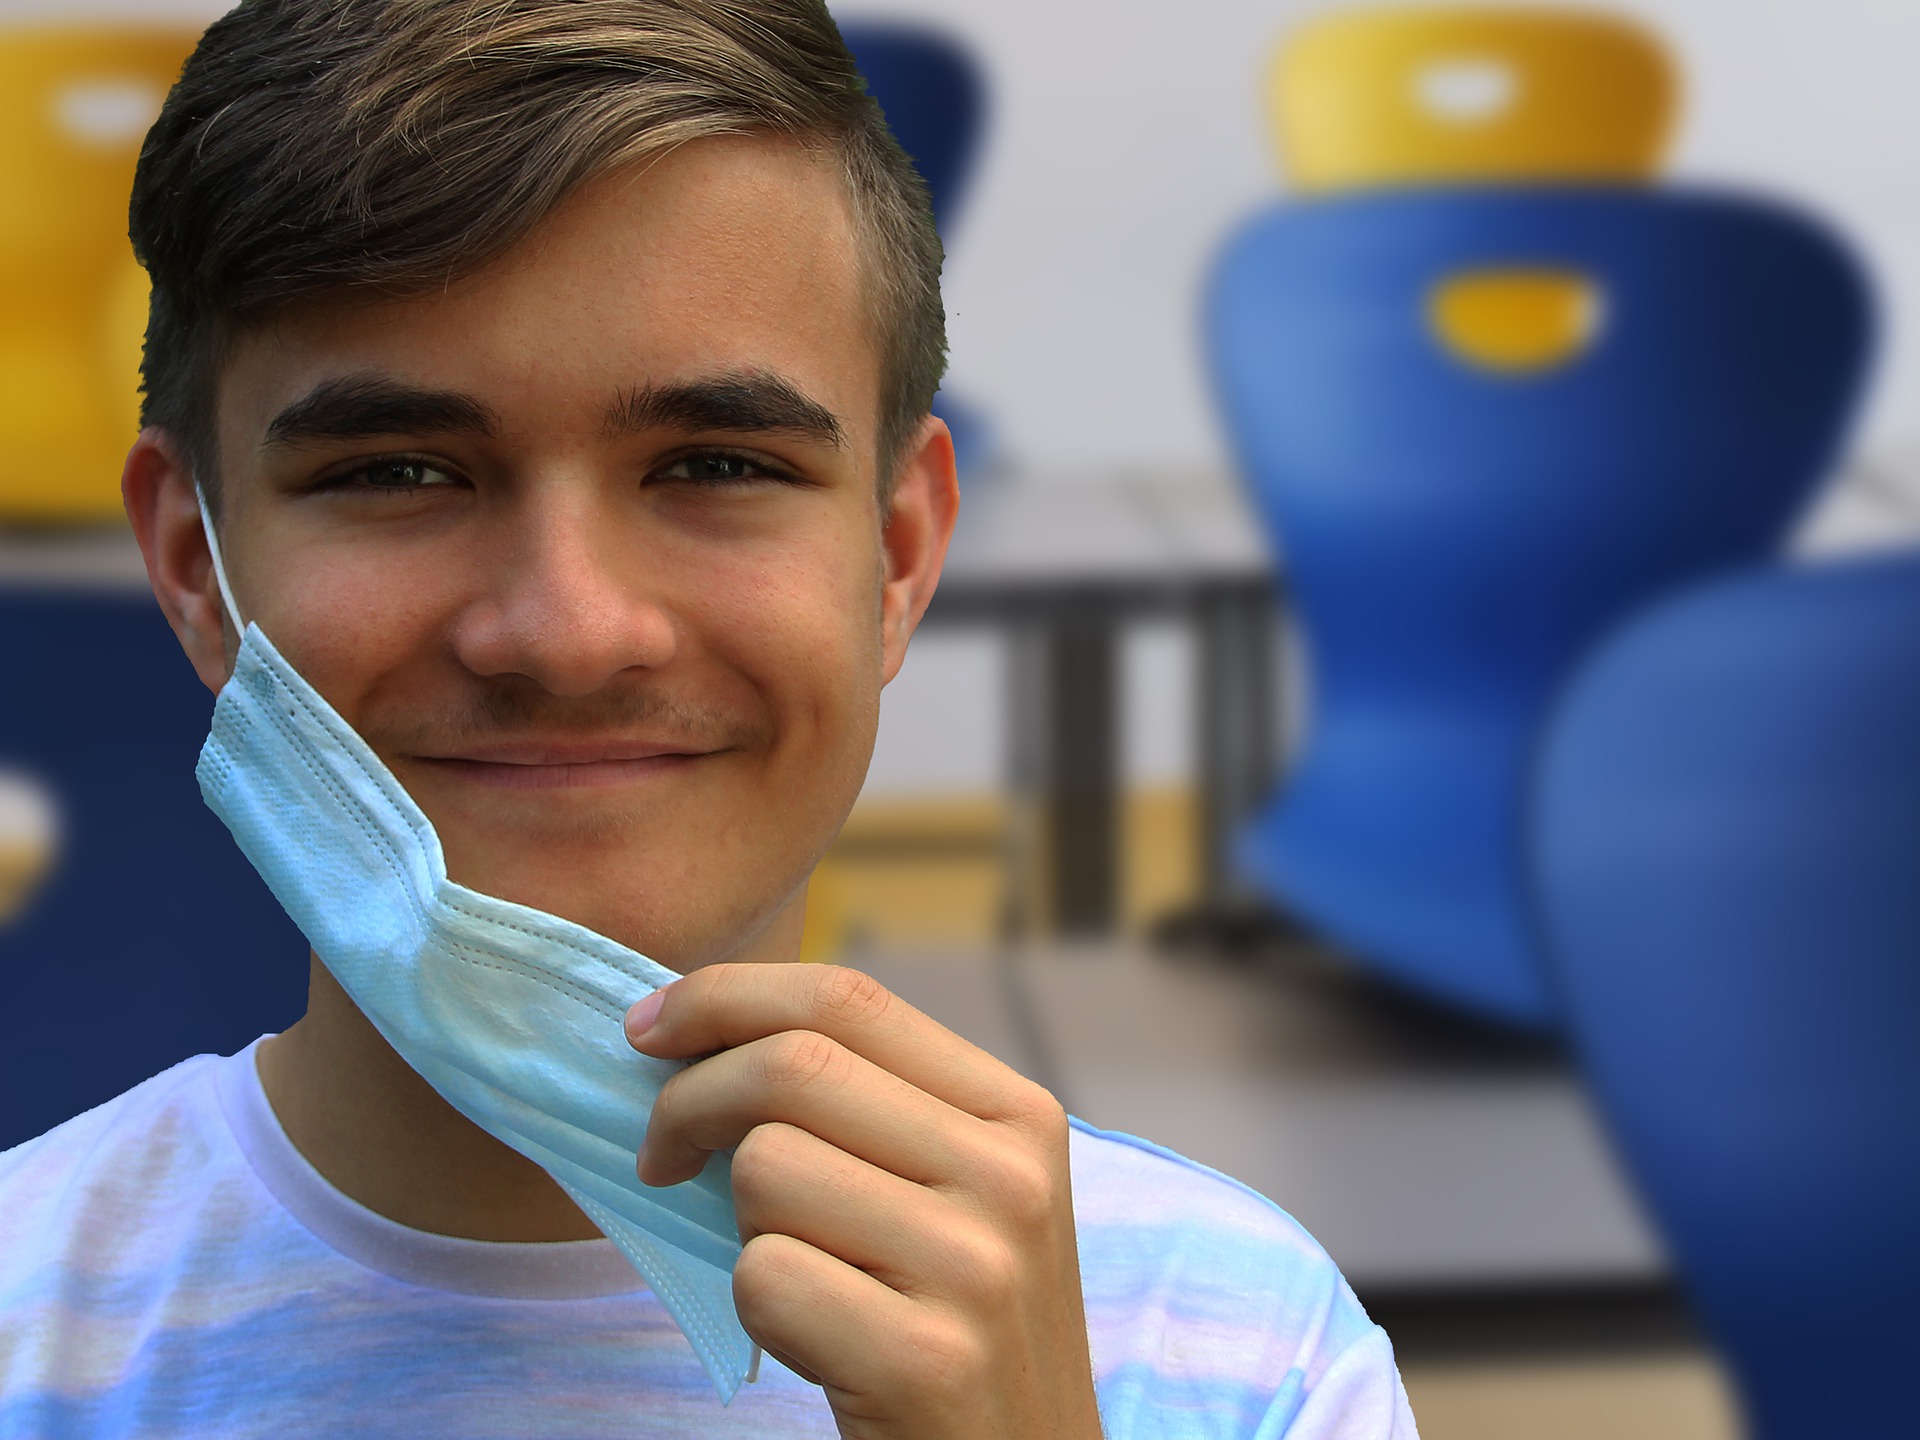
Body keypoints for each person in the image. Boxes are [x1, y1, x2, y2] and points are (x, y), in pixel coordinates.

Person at [0, 2, 1418, 1436]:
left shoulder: (1246, 1353)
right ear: (194, 566)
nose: (568, 634)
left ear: (898, 557)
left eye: (716, 464)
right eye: (400, 473)